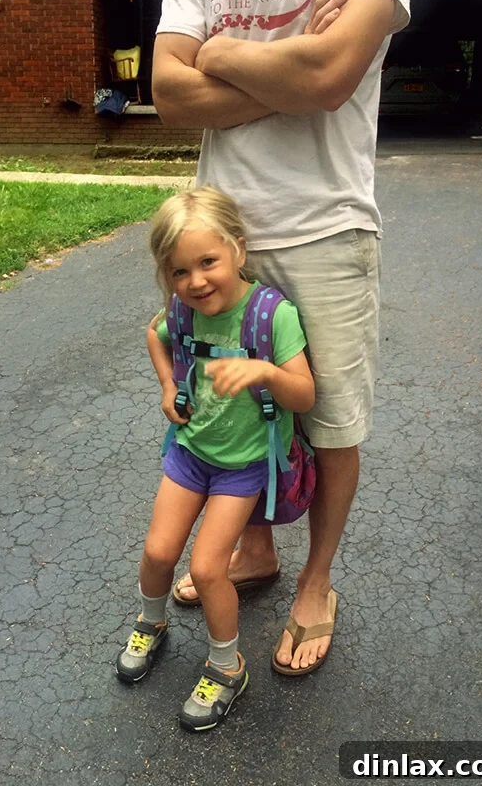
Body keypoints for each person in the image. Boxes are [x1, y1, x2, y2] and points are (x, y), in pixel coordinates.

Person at [151, 0, 411, 675]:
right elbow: (171, 97)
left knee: (327, 425)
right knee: (239, 405)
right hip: (224, 231)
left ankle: (316, 582)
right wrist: (289, 73)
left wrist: (222, 52)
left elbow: (329, 78)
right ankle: (257, 549)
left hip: (326, 231)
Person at [115, 186, 314, 731]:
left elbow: (305, 395)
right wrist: (166, 384)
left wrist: (265, 372)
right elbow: (153, 335)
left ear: (239, 251)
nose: (196, 281)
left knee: (206, 570)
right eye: (179, 271)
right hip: (189, 451)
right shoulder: (181, 310)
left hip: (243, 465)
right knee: (158, 553)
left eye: (208, 262)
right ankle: (150, 622)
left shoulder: (273, 315)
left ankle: (227, 667)